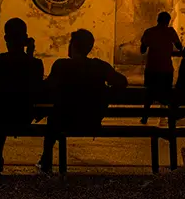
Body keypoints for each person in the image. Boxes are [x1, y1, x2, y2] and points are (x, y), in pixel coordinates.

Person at [38, 29, 128, 174]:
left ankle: (46, 157)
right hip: (91, 120)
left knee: (53, 118)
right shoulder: (100, 66)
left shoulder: (61, 65)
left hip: (65, 120)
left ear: (73, 45)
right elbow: (122, 81)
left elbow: (47, 88)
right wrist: (106, 92)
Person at [0, 18, 45, 173]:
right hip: (24, 115)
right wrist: (30, 54)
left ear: (6, 38)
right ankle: (46, 157)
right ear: (25, 39)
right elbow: (36, 83)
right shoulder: (36, 64)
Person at [139, 11, 182, 123]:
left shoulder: (149, 32)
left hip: (152, 68)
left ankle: (145, 117)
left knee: (149, 94)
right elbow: (179, 46)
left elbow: (142, 50)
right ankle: (169, 118)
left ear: (157, 20)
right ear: (168, 21)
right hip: (166, 69)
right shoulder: (171, 32)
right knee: (167, 94)